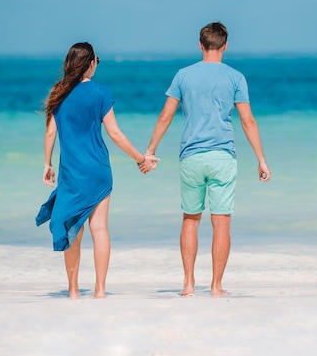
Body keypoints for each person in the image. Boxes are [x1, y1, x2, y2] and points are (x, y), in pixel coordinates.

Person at [145, 22, 271, 297]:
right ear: (225, 45)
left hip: (191, 156)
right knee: (221, 222)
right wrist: (261, 159)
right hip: (223, 156)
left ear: (200, 45)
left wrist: (150, 150)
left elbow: (165, 116)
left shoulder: (183, 75)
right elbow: (247, 121)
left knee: (190, 219)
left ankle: (188, 284)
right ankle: (215, 287)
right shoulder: (236, 77)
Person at [35, 42, 157, 299]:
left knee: (73, 229)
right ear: (91, 63)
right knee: (99, 228)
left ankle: (73, 290)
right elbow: (114, 132)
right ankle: (100, 290)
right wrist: (140, 159)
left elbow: (50, 132)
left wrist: (47, 164)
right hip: (99, 170)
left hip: (71, 173)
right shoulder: (101, 93)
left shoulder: (59, 92)